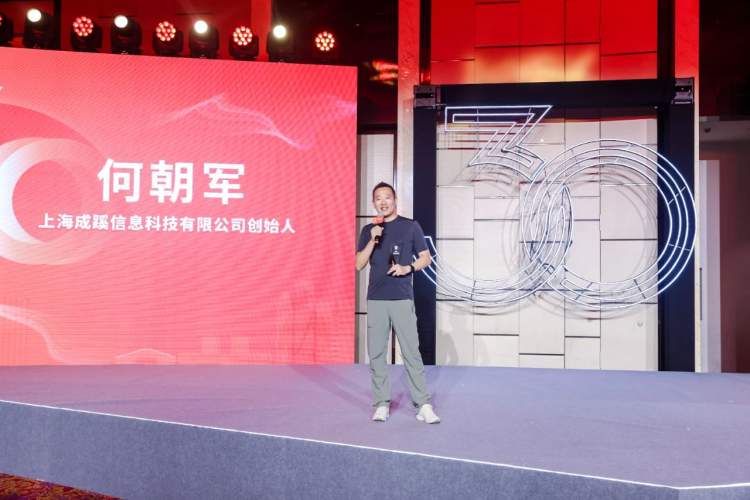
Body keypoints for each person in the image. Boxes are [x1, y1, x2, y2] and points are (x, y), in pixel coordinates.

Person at [355, 182, 440, 424]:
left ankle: (423, 404)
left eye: (387, 197)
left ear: (395, 200)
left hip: (402, 298)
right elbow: (358, 264)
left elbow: (426, 257)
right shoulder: (369, 230)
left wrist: (407, 268)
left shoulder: (410, 226)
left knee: (411, 352)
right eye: (378, 198)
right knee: (377, 354)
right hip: (376, 299)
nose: (383, 202)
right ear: (374, 203)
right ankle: (381, 403)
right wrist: (372, 240)